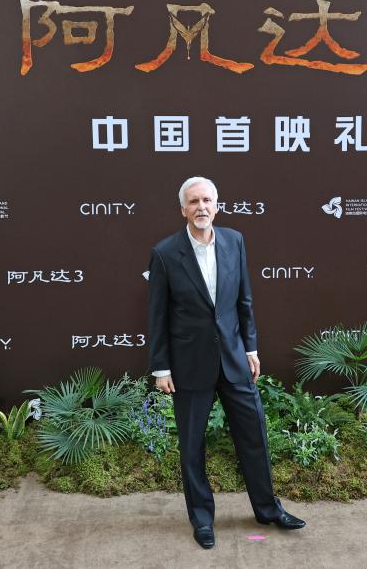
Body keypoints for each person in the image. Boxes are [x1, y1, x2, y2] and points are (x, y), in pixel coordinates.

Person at [146, 176, 306, 550]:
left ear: (216, 205)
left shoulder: (235, 241)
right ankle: (202, 520)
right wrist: (161, 368)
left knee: (255, 437)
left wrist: (250, 348)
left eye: (207, 200)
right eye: (193, 202)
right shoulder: (165, 253)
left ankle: (268, 509)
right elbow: (157, 316)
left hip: (234, 359)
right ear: (183, 209)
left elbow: (244, 301)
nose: (201, 207)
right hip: (189, 366)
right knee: (192, 448)